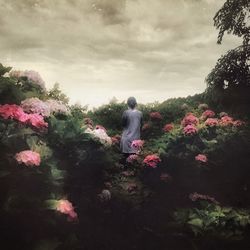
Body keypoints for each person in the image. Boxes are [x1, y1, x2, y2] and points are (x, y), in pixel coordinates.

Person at [120, 97, 142, 166]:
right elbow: (140, 125)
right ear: (136, 104)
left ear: (127, 104)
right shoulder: (140, 113)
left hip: (126, 139)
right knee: (134, 162)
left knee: (126, 162)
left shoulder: (125, 113)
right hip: (136, 141)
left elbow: (123, 124)